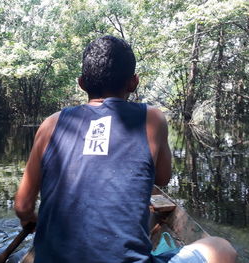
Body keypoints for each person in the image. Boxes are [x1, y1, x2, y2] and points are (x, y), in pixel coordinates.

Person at [14, 35, 237, 263]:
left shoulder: (51, 124)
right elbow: (162, 178)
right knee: (221, 248)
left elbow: (22, 205)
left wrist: (29, 219)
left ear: (82, 83)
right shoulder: (152, 119)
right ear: (134, 82)